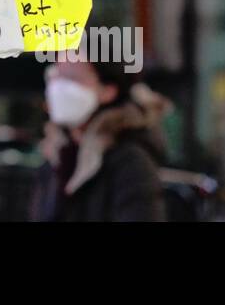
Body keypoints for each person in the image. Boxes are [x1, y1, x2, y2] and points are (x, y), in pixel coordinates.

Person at [31, 55, 169, 221]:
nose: (59, 87)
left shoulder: (130, 162)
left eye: (72, 77)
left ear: (108, 91)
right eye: (56, 75)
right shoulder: (56, 156)